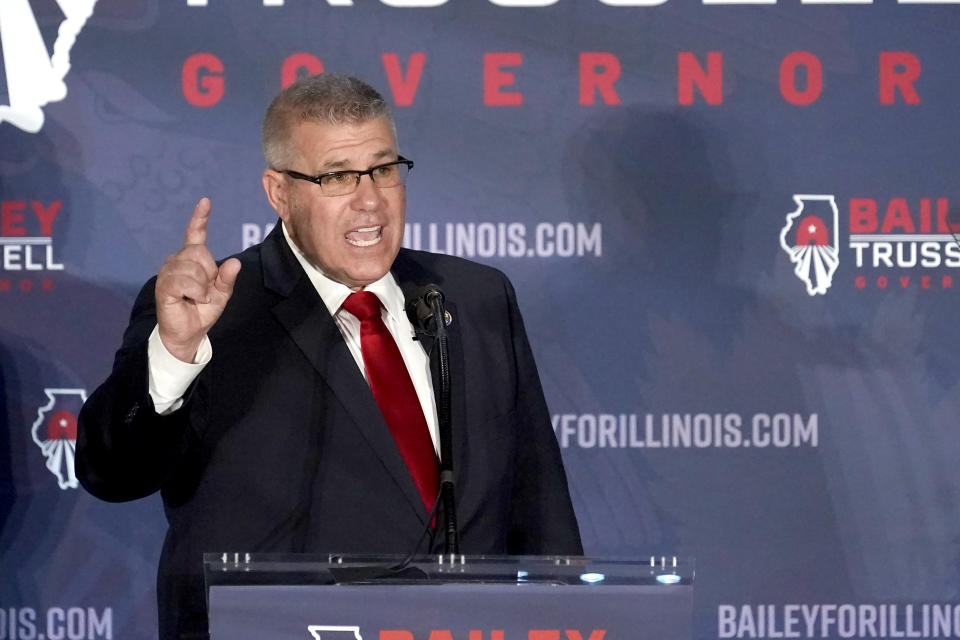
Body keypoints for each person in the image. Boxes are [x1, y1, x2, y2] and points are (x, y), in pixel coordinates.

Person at [76, 73, 582, 640]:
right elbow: (111, 473)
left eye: (385, 169)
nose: (370, 202)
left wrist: (565, 616)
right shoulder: (210, 310)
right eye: (338, 176)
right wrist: (174, 353)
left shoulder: (474, 296)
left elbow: (540, 509)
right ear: (279, 193)